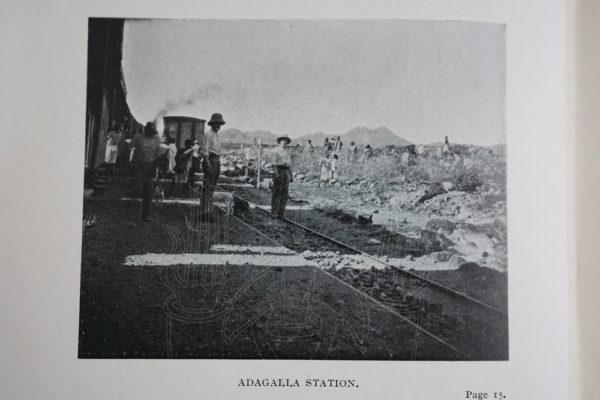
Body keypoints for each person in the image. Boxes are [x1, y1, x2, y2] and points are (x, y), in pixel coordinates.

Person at [131, 122, 162, 222]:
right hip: (139, 165)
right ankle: (133, 214)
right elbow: (132, 149)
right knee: (137, 189)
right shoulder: (138, 137)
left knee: (148, 192)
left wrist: (155, 167)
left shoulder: (157, 139)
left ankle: (144, 215)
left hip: (150, 167)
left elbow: (158, 154)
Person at [200, 113, 226, 220]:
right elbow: (205, 152)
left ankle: (209, 211)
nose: (218, 126)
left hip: (217, 160)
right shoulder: (208, 134)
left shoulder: (216, 135)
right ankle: (204, 212)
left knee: (212, 188)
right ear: (212, 124)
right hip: (210, 160)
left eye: (219, 124)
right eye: (216, 124)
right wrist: (209, 165)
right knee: (207, 187)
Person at [270, 134, 293, 217]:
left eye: (286, 140)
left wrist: (291, 175)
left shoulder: (287, 151)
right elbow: (273, 164)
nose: (284, 142)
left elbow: (289, 165)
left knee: (285, 193)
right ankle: (274, 212)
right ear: (280, 141)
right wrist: (276, 174)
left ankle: (281, 213)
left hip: (286, 172)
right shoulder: (275, 150)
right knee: (276, 192)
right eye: (283, 140)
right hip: (279, 171)